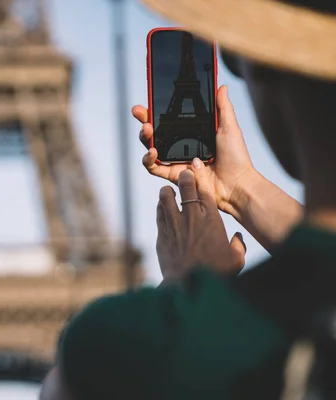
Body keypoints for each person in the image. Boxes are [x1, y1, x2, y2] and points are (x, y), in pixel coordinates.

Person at [40, 0, 336, 398]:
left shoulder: (126, 346)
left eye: (235, 59)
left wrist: (191, 294)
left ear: (264, 62)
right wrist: (239, 186)